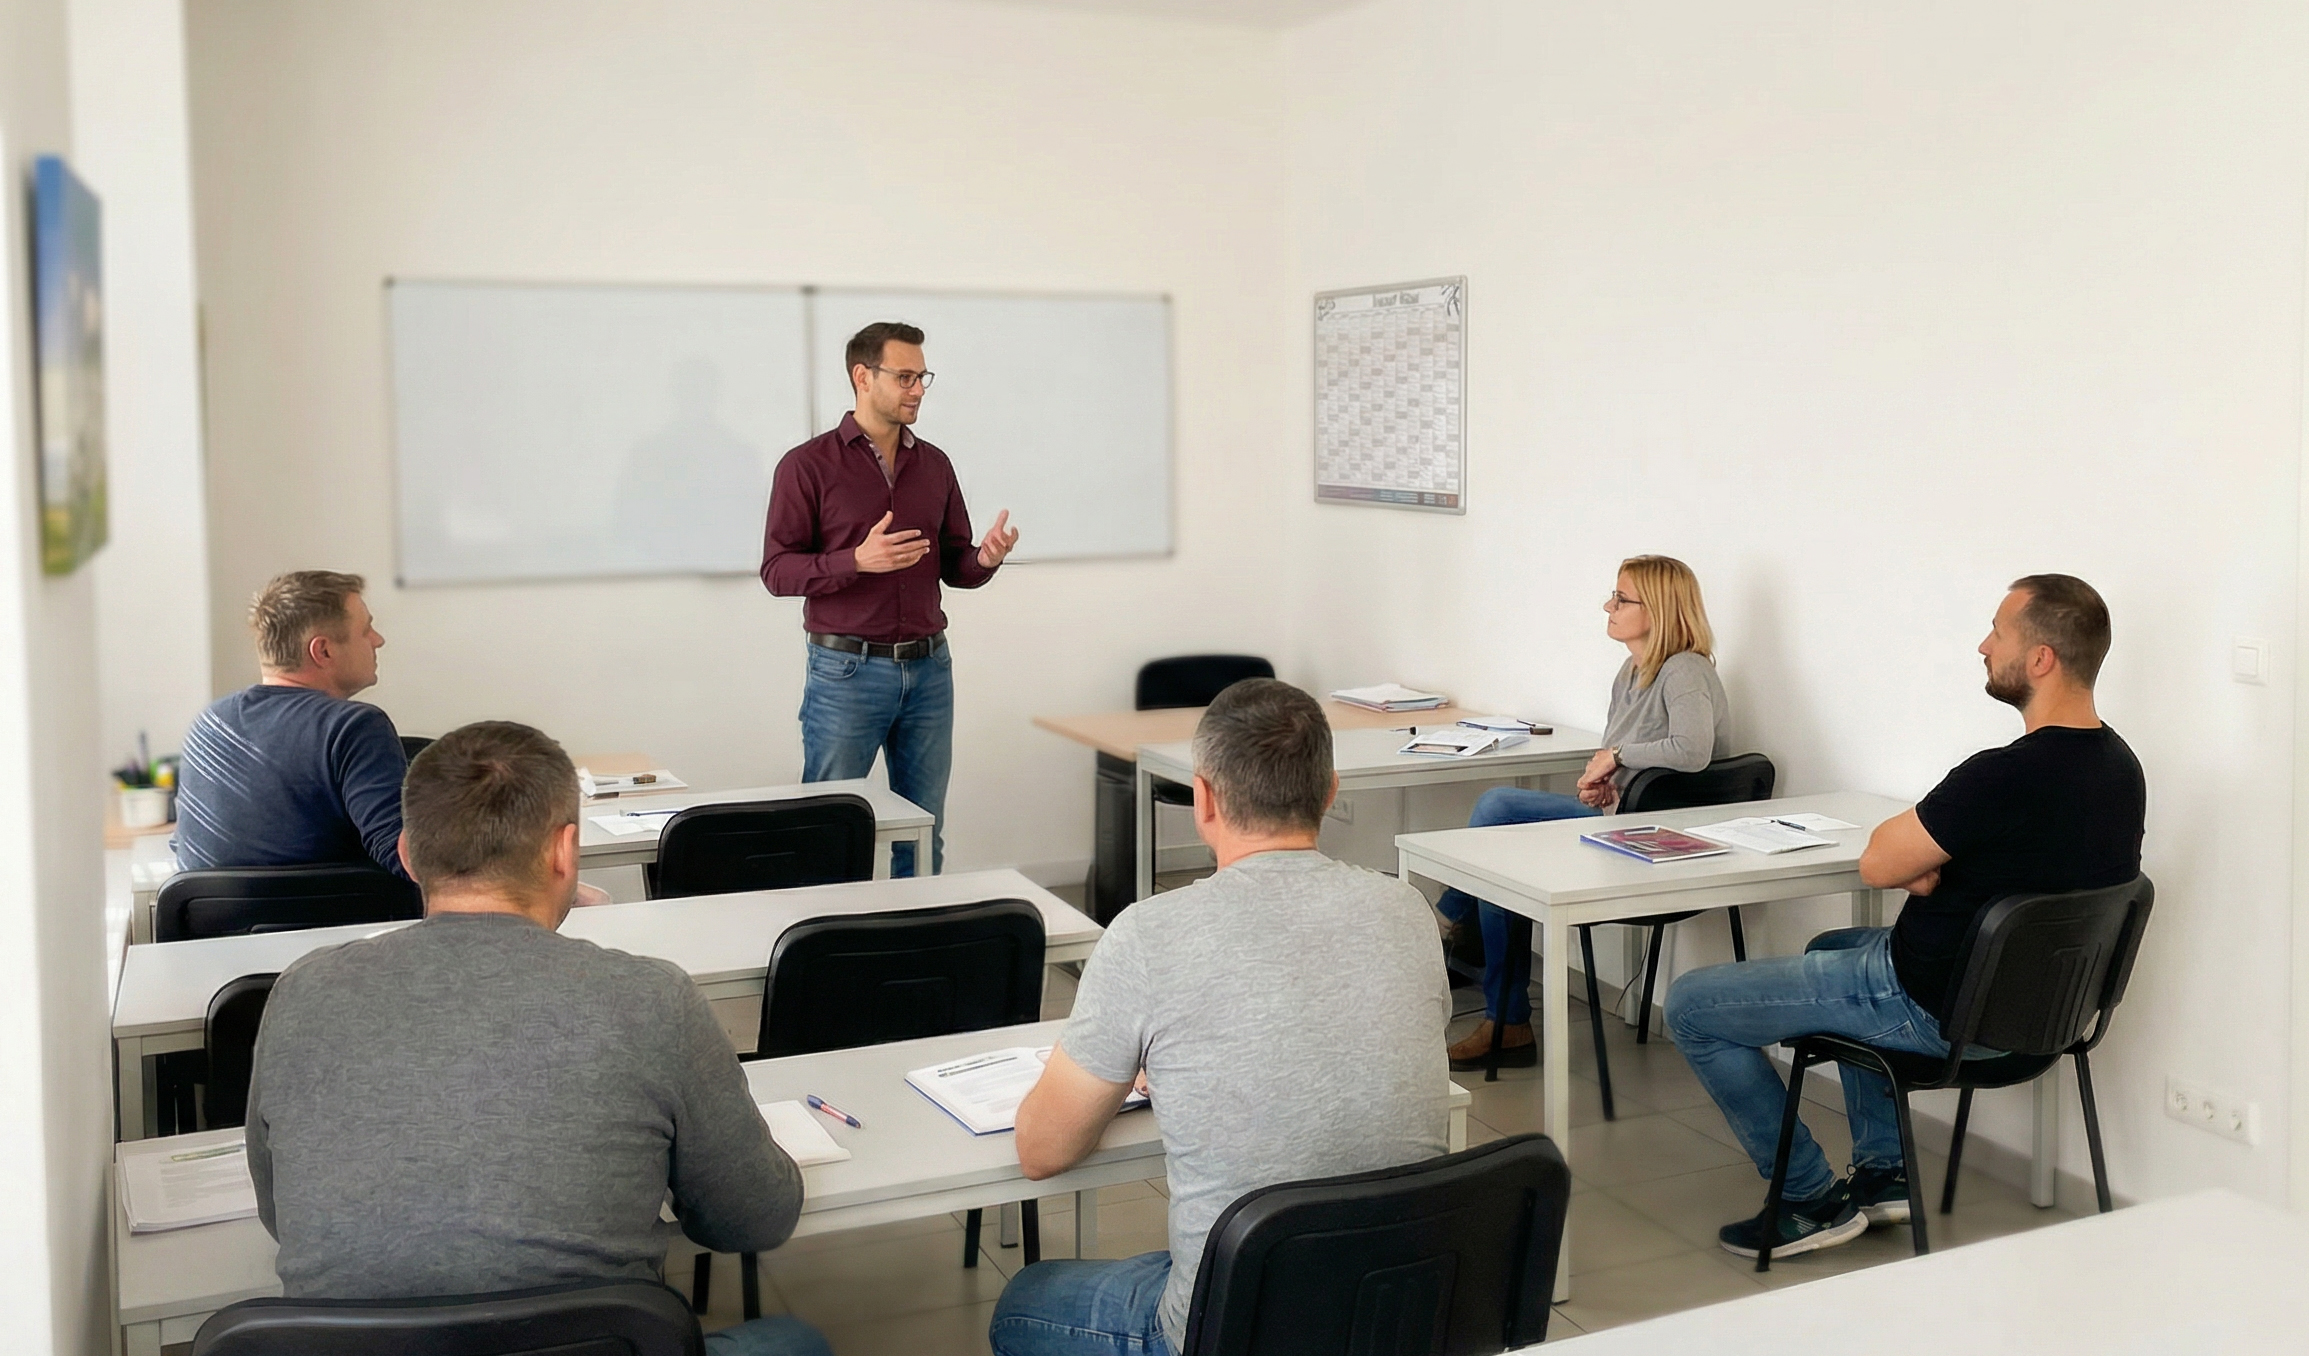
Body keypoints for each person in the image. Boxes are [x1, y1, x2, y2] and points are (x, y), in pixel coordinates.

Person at [245, 721, 828, 1356]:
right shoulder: (654, 999)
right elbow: (753, 1217)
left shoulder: (300, 992)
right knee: (795, 1339)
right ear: (564, 852)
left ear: (409, 854)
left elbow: (281, 1215)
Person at [1664, 575, 2145, 1261]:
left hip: (1927, 1004)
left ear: (2040, 659)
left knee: (1689, 1006)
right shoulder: (2119, 767)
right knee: (1834, 941)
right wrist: (1923, 859)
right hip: (2041, 1020)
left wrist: (1914, 862)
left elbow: (1877, 863)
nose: (1982, 646)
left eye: (1997, 633)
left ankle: (1807, 1199)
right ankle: (1885, 1177)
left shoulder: (2002, 775)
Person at [988, 679, 1451, 1356]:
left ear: (1201, 799)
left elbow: (1042, 1150)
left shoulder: (1148, 933)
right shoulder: (1406, 908)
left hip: (1236, 1326)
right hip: (1398, 1305)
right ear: (1328, 792)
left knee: (1023, 1303)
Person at [1436, 554, 1730, 1070]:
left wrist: (1616, 759)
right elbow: (1631, 756)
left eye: (1621, 599)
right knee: (1499, 853)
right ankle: (1504, 1017)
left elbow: (1691, 750)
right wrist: (1606, 785)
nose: (1607, 606)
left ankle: (1450, 926)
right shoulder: (1632, 670)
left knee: (1496, 808)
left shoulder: (1685, 669)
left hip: (1659, 839)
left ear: (1658, 609)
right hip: (1622, 818)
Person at [760, 321, 1020, 877]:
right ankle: (830, 957)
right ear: (862, 376)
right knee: (832, 830)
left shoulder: (935, 465)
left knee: (924, 832)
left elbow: (955, 565)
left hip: (930, 671)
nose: (918, 389)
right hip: (846, 673)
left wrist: (986, 559)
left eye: (922, 377)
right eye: (905, 377)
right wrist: (855, 560)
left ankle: (915, 951)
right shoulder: (807, 466)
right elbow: (777, 571)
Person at [175, 570, 410, 879]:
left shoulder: (210, 723)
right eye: (366, 629)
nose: (378, 640)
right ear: (323, 650)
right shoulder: (354, 727)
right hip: (338, 925)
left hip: (214, 927)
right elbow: (409, 861)